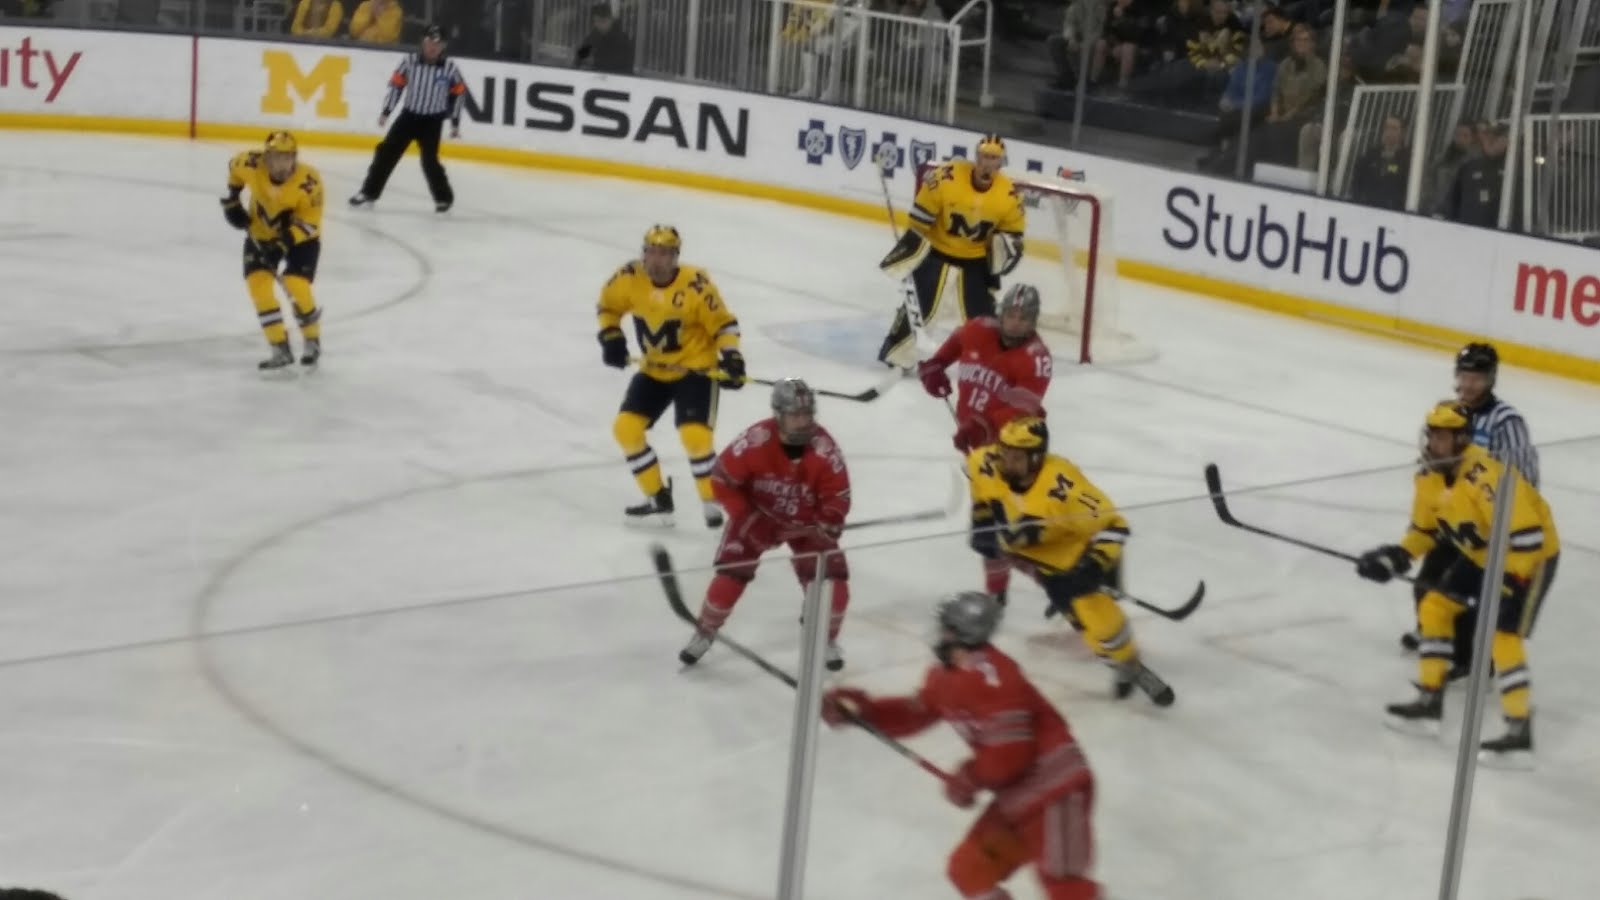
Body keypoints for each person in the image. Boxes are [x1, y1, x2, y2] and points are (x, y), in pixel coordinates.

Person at [821, 591, 1102, 900]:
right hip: (1018, 796)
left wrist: (970, 777)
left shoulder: (997, 676)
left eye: (945, 627)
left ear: (959, 633)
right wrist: (865, 713)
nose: (938, 634)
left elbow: (1011, 754)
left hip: (1057, 790)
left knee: (1065, 885)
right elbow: (915, 713)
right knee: (970, 869)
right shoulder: (945, 676)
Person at [1356, 401, 1558, 759]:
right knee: (1435, 606)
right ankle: (1429, 701)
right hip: (1482, 555)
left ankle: (1519, 731)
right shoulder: (1427, 477)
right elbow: (1424, 532)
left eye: (1443, 436)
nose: (1434, 443)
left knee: (1502, 633)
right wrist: (1396, 557)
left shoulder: (1486, 476)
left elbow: (1527, 535)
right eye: (1432, 435)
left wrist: (1510, 581)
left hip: (1531, 557)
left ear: (1461, 439)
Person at [968, 417, 1175, 705]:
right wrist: (981, 523)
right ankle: (1120, 666)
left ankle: (1130, 664)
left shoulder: (1063, 486)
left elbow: (1115, 526)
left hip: (1078, 557)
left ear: (1036, 458)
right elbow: (981, 492)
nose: (1006, 463)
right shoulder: (985, 463)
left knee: (1104, 624)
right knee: (1082, 625)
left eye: (1015, 458)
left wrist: (1094, 565)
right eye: (1004, 453)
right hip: (1045, 565)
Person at [679, 379, 852, 670]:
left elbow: (838, 493)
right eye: (795, 415)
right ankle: (705, 631)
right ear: (779, 414)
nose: (803, 422)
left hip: (806, 521)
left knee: (834, 589)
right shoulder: (755, 441)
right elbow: (721, 480)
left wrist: (831, 518)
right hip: (756, 515)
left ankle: (825, 637)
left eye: (807, 414)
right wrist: (747, 518)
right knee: (729, 579)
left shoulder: (824, 448)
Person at [1397, 343, 1539, 670]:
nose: (1469, 384)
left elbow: (1524, 476)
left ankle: (1470, 653)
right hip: (1455, 517)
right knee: (1427, 582)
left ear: (1491, 379)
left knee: (1465, 593)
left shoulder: (1506, 421)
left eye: (1477, 378)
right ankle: (1433, 630)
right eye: (1464, 376)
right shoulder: (1447, 412)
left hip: (1487, 526)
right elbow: (1433, 463)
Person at [596, 225, 745, 528]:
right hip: (654, 369)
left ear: (676, 257)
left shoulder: (695, 284)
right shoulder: (628, 277)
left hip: (695, 369)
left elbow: (723, 324)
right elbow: (608, 307)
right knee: (626, 429)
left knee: (695, 436)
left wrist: (732, 357)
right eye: (652, 252)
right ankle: (657, 497)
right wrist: (611, 336)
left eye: (664, 253)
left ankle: (714, 500)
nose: (657, 260)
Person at [876, 134, 1026, 369]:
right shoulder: (946, 178)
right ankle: (897, 355)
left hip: (975, 260)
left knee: (982, 319)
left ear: (1001, 163)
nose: (988, 164)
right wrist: (911, 253)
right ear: (976, 157)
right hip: (938, 252)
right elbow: (919, 223)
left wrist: (1005, 250)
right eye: (984, 157)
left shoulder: (1010, 195)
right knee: (922, 308)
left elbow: (1014, 236)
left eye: (994, 159)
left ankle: (990, 364)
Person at [220, 131, 324, 370]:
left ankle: (312, 339)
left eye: (288, 158)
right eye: (277, 157)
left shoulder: (309, 182)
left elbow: (310, 222)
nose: (282, 165)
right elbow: (234, 168)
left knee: (295, 283)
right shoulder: (249, 163)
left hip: (302, 238)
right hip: (261, 232)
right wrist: (233, 198)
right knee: (258, 284)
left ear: (295, 157)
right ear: (266, 158)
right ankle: (279, 346)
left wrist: (283, 244)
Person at [917, 282, 1053, 455]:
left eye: (1023, 318)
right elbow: (957, 340)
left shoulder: (1036, 359)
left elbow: (1024, 409)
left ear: (1033, 322)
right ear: (1001, 314)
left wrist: (982, 427)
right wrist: (936, 365)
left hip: (1013, 450)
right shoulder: (979, 329)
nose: (1015, 323)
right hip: (970, 434)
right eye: (1011, 315)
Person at [349, 26, 466, 212]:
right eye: (429, 42)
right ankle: (369, 192)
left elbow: (459, 93)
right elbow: (396, 86)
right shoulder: (409, 62)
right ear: (422, 43)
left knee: (429, 161)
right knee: (386, 153)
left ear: (443, 47)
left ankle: (444, 198)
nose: (432, 47)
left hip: (433, 121)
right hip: (409, 117)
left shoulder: (450, 68)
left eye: (437, 44)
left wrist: (455, 122)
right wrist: (386, 111)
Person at [574, 2, 634, 74]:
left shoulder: (622, 40)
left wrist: (594, 62)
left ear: (611, 20)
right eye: (596, 21)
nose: (599, 25)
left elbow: (622, 66)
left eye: (603, 21)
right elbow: (579, 58)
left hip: (617, 77)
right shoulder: (594, 37)